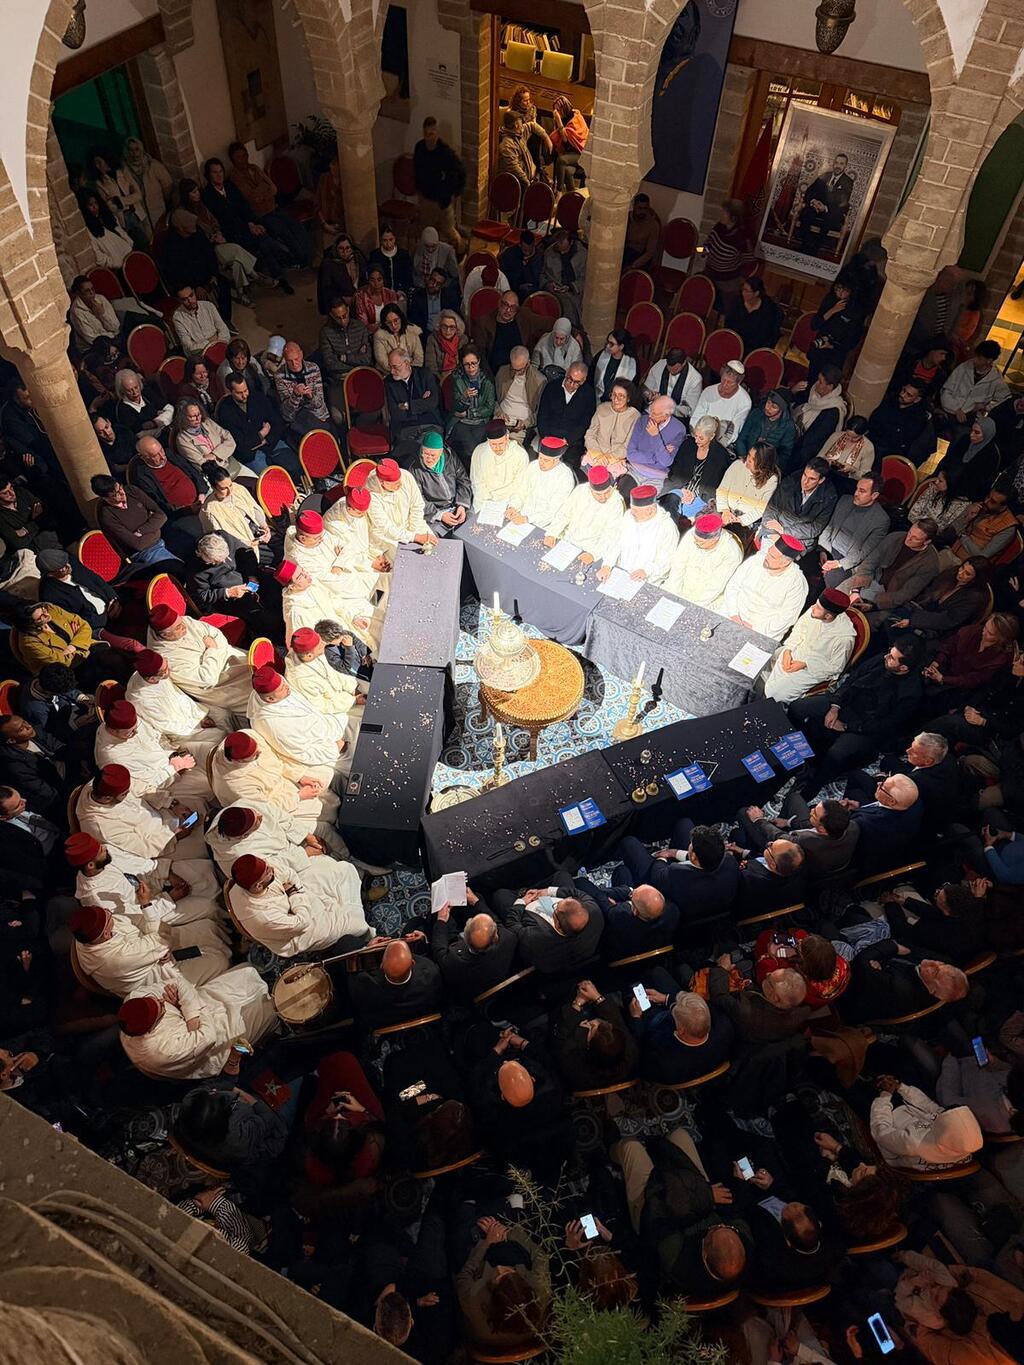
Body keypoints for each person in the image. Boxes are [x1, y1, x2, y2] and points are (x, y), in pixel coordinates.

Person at [789, 637, 926, 792]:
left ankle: (816, 781)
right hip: (847, 703)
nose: (886, 657)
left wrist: (847, 726)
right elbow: (851, 680)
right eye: (889, 652)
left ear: (903, 668)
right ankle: (798, 749)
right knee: (798, 708)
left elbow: (887, 725)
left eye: (892, 658)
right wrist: (835, 706)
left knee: (837, 753)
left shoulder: (912, 692)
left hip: (866, 726)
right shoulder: (881, 660)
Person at [118, 971, 277, 1082]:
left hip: (199, 1008)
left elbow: (179, 982)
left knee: (247, 975)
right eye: (160, 1008)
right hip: (215, 1047)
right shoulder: (161, 1050)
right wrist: (183, 1006)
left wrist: (189, 1015)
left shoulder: (134, 998)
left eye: (156, 1000)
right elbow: (208, 1037)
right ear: (151, 1028)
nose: (160, 1000)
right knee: (269, 1011)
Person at [229, 854, 369, 958]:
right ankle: (358, 900)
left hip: (296, 897)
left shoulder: (260, 870)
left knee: (342, 869)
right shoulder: (263, 916)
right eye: (268, 871)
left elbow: (289, 874)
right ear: (258, 886)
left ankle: (354, 898)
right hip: (296, 934)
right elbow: (302, 922)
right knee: (355, 924)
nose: (271, 868)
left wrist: (296, 893)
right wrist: (294, 894)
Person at [614, 820, 739, 920]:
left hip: (667, 890)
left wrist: (663, 857)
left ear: (694, 856)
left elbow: (657, 874)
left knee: (629, 843)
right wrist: (674, 853)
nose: (689, 844)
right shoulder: (729, 861)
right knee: (684, 824)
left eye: (691, 844)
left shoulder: (677, 874)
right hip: (707, 894)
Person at [201, 156, 293, 293]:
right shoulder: (207, 195)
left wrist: (251, 223)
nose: (219, 175)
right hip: (230, 233)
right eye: (214, 172)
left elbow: (244, 207)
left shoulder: (230, 186)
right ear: (208, 175)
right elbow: (216, 221)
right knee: (263, 242)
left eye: (220, 171)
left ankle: (279, 273)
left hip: (244, 226)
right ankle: (279, 252)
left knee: (262, 237)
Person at [487, 881, 603, 976]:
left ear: (557, 922)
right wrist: (546, 892)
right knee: (561, 875)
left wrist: (522, 902)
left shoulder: (536, 938)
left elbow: (512, 924)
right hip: (578, 955)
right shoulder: (593, 909)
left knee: (500, 895)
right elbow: (576, 892)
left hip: (546, 956)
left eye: (556, 906)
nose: (556, 902)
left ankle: (521, 894)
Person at [763, 586, 856, 703]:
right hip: (798, 651)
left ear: (828, 616)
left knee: (775, 694)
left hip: (815, 668)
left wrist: (804, 664)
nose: (812, 607)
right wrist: (788, 650)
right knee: (767, 659)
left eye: (817, 607)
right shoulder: (814, 612)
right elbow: (798, 632)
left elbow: (835, 667)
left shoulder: (844, 638)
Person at [227, 141, 310, 267]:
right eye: (238, 157)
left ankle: (307, 254)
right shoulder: (235, 176)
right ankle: (300, 259)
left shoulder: (254, 168)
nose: (243, 159)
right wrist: (263, 188)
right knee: (284, 232)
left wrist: (262, 192)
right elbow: (251, 197)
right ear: (233, 160)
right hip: (261, 214)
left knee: (296, 226)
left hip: (274, 207)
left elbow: (273, 188)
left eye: (244, 155)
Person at [430, 895, 524, 1003]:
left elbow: (438, 949)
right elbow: (498, 924)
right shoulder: (509, 940)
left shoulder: (452, 961)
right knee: (479, 897)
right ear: (496, 937)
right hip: (496, 977)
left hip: (470, 985)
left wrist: (441, 920)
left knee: (435, 917)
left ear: (464, 937)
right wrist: (476, 901)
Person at [870, 1080, 982, 1171]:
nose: (942, 1113)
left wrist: (885, 1095)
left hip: (888, 1118)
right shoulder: (964, 1139)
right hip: (907, 1108)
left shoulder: (913, 1143)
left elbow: (880, 1131)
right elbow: (933, 1108)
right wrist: (901, 1087)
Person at [628, 990, 733, 1086]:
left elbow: (639, 1054)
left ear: (681, 1029)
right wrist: (666, 999)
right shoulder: (724, 1027)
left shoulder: (661, 1056)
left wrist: (636, 1018)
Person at [715, 535, 809, 641]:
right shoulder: (755, 561)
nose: (766, 557)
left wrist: (755, 629)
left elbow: (786, 618)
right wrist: (734, 614)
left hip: (762, 632)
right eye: (769, 552)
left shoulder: (797, 583)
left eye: (772, 557)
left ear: (785, 562)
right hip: (731, 615)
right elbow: (733, 586)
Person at [553, 985, 639, 1092]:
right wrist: (597, 997)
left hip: (580, 1075)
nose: (596, 1021)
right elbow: (618, 1021)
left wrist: (577, 1003)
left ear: (588, 1045)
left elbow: (561, 1037)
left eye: (593, 1026)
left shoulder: (573, 1065)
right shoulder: (629, 1050)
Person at [845, 519, 941, 612]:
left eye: (915, 538)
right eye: (910, 532)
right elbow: (870, 562)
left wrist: (873, 605)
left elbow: (905, 594)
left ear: (927, 542)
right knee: (837, 597)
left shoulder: (930, 563)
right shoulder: (895, 537)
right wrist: (856, 590)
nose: (908, 538)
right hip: (870, 578)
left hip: (889, 596)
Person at [543, 466, 625, 569]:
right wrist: (552, 533)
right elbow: (564, 514)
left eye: (607, 492)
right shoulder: (580, 490)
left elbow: (610, 535)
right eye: (598, 494)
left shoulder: (616, 502)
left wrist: (593, 554)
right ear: (590, 488)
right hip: (568, 541)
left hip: (592, 549)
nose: (603, 498)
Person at [349, 939, 442, 1030]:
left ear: (381, 966)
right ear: (413, 963)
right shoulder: (430, 974)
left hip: (380, 1026)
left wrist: (366, 949)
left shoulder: (367, 986)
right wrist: (421, 940)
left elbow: (351, 967)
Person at [819, 472, 890, 589]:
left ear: (874, 495)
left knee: (831, 579)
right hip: (828, 548)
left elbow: (863, 553)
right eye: (857, 489)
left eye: (862, 491)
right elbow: (829, 527)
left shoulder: (881, 520)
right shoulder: (845, 500)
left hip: (847, 560)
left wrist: (838, 563)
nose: (856, 493)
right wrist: (823, 550)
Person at [597, 485, 678, 588]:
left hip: (646, 581)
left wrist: (646, 571)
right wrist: (607, 565)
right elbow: (616, 542)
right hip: (620, 574)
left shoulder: (667, 528)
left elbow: (666, 561)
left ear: (650, 510)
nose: (632, 513)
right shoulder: (628, 517)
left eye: (635, 510)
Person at [214, 373, 294, 477]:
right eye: (239, 393)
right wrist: (262, 434)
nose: (244, 395)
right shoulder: (225, 411)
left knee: (295, 466)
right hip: (251, 455)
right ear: (230, 391)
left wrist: (267, 439)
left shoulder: (257, 397)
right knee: (269, 480)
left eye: (245, 390)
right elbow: (240, 444)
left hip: (272, 442)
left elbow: (276, 422)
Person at [660, 415, 733, 525]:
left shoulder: (721, 456)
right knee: (669, 506)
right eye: (695, 435)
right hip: (680, 489)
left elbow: (713, 486)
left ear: (712, 436)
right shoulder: (688, 444)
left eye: (701, 438)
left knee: (691, 521)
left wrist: (694, 494)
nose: (696, 440)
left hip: (701, 496)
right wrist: (683, 490)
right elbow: (676, 472)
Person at [90, 473, 173, 568]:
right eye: (115, 494)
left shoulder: (131, 491)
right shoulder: (106, 515)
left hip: (160, 536)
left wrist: (141, 531)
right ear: (105, 498)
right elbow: (137, 544)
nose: (122, 493)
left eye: (120, 487)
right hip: (145, 551)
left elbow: (162, 515)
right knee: (178, 569)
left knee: (190, 546)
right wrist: (155, 526)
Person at [163, 212, 232, 324]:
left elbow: (209, 253)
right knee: (193, 297)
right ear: (180, 228)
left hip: (205, 274)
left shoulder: (197, 232)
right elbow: (178, 272)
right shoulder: (171, 245)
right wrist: (196, 286)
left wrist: (213, 274)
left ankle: (225, 320)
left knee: (224, 284)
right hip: (186, 282)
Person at [663, 511, 742, 606]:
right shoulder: (692, 535)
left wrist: (688, 603)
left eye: (701, 542)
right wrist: (673, 594)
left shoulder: (731, 552)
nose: (696, 543)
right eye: (695, 540)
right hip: (680, 586)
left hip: (707, 599)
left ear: (714, 539)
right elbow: (678, 565)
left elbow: (715, 586)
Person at [413, 117, 467, 254]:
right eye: (426, 134)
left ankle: (462, 251)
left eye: (431, 134)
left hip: (442, 201)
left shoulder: (444, 152)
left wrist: (451, 191)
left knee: (449, 231)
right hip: (426, 199)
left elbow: (459, 172)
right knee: (425, 231)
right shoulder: (420, 148)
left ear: (436, 133)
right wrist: (418, 190)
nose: (428, 138)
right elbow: (416, 170)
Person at [36, 546, 118, 631]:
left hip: (110, 602)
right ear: (50, 574)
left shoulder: (71, 561)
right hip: (98, 623)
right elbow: (76, 619)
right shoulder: (49, 593)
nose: (68, 566)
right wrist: (106, 616)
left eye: (66, 562)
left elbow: (95, 579)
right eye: (62, 568)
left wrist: (113, 598)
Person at [939, 339, 1009, 436]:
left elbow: (1005, 400)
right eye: (976, 356)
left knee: (964, 435)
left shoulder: (996, 379)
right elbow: (946, 390)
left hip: (971, 417)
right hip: (949, 410)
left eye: (979, 358)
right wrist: (956, 409)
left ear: (989, 361)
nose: (975, 360)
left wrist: (986, 407)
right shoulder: (964, 367)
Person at [505, 435, 575, 532]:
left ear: (556, 460)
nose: (541, 463)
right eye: (540, 458)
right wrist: (513, 506)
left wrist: (527, 519)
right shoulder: (533, 466)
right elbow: (521, 491)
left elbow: (553, 511)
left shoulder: (565, 477)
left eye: (546, 460)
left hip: (544, 525)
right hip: (521, 515)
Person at [384, 351, 443, 460]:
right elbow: (395, 413)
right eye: (390, 367)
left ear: (406, 363)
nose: (392, 371)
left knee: (422, 448)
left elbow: (433, 402)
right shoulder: (389, 382)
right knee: (413, 451)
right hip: (406, 428)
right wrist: (421, 404)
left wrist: (407, 406)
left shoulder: (425, 374)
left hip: (430, 424)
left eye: (395, 367)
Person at [535, 361, 596, 467]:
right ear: (567, 372)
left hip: (572, 440)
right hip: (549, 435)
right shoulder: (552, 387)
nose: (571, 384)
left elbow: (585, 423)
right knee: (544, 465)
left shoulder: (588, 394)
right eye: (569, 379)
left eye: (577, 382)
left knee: (567, 468)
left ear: (583, 380)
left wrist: (568, 440)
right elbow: (542, 415)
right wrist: (546, 437)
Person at [622, 394, 687, 493]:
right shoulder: (642, 420)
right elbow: (630, 454)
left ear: (666, 415)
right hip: (634, 470)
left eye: (654, 414)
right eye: (650, 411)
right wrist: (657, 456)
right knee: (622, 494)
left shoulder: (679, 429)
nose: (650, 416)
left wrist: (655, 436)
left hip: (657, 477)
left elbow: (666, 462)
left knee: (643, 503)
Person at [320, 297, 372, 419]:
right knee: (338, 417)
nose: (343, 321)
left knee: (372, 410)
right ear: (332, 316)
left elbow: (366, 359)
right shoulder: (326, 333)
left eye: (344, 316)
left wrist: (344, 358)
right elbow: (330, 363)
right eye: (338, 318)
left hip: (360, 377)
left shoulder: (360, 327)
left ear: (348, 310)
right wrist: (356, 360)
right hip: (339, 380)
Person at [807, 275, 865, 382]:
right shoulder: (830, 299)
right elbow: (814, 325)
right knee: (811, 379)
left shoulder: (856, 310)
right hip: (819, 350)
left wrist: (832, 346)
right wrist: (832, 310)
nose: (840, 293)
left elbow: (852, 340)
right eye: (838, 289)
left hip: (835, 355)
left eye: (844, 290)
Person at [411, 430, 472, 532]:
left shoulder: (450, 457)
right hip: (435, 513)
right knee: (433, 538)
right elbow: (417, 499)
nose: (429, 458)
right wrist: (440, 515)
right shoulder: (415, 469)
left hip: (456, 505)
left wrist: (462, 505)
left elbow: (463, 480)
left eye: (433, 455)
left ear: (441, 453)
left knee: (471, 528)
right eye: (426, 453)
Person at [582, 378, 641, 481]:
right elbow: (590, 434)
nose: (616, 399)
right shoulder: (602, 408)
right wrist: (598, 454)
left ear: (628, 398)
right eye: (614, 394)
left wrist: (610, 458)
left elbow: (629, 444)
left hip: (616, 460)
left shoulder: (635, 416)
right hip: (595, 455)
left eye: (621, 396)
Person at [797, 153, 853, 257]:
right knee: (806, 212)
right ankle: (806, 243)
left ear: (845, 166)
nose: (838, 166)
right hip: (817, 207)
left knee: (830, 217)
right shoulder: (825, 176)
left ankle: (815, 247)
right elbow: (810, 191)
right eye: (836, 162)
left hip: (832, 210)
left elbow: (842, 201)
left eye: (841, 164)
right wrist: (814, 201)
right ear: (833, 163)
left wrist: (825, 208)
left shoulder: (848, 182)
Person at [446, 346, 496, 463]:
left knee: (478, 449)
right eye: (467, 364)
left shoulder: (487, 380)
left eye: (473, 363)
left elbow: (489, 408)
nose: (471, 367)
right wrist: (464, 397)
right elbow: (456, 408)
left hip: (480, 421)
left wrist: (469, 413)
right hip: (460, 422)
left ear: (479, 361)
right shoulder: (457, 378)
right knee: (471, 450)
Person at [716, 439, 780, 529]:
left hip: (745, 521)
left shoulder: (771, 480)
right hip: (724, 510)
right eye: (749, 455)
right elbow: (722, 490)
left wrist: (739, 520)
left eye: (754, 459)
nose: (748, 460)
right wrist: (725, 510)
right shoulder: (737, 465)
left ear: (763, 463)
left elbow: (761, 509)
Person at [700, 198, 751, 311]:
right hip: (709, 274)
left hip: (728, 282)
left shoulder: (742, 238)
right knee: (693, 287)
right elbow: (707, 245)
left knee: (730, 307)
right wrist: (699, 250)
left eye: (724, 212)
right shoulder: (719, 227)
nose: (721, 214)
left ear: (733, 217)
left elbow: (748, 260)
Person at [790, 367, 848, 464]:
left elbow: (813, 440)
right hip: (794, 432)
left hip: (805, 449)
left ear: (829, 387)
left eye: (820, 382)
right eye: (818, 379)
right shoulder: (814, 391)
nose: (816, 383)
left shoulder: (832, 412)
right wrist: (793, 391)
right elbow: (795, 402)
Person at [469, 418, 529, 513]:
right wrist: (486, 506)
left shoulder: (520, 454)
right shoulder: (479, 451)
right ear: (488, 441)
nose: (497, 448)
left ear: (507, 437)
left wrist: (512, 506)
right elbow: (477, 482)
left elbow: (520, 486)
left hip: (509, 501)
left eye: (501, 443)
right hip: (484, 501)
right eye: (493, 444)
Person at [867, 379, 933, 463]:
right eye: (903, 390)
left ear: (917, 399)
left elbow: (901, 439)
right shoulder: (891, 400)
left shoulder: (918, 417)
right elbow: (874, 418)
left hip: (890, 451)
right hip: (873, 439)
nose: (902, 395)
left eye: (908, 395)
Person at [690, 361, 751, 449]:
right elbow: (695, 418)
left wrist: (713, 447)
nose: (724, 385)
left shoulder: (744, 401)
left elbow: (733, 432)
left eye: (730, 383)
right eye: (723, 380)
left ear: (739, 382)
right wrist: (698, 438)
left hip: (720, 445)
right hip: (699, 438)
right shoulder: (708, 391)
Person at [944, 415, 1001, 504]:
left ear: (987, 434)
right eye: (972, 430)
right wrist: (943, 476)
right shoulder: (965, 439)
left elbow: (978, 483)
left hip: (964, 497)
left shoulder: (991, 455)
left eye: (977, 432)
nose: (972, 434)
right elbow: (949, 460)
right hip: (946, 483)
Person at [171, 398, 237, 475]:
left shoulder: (207, 422)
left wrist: (215, 455)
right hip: (214, 475)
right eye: (192, 416)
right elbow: (202, 464)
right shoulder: (182, 440)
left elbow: (230, 440)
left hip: (231, 463)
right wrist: (224, 451)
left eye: (199, 414)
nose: (198, 419)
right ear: (183, 418)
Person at [494, 345, 545, 440]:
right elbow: (494, 399)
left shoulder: (539, 380)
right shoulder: (502, 372)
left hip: (521, 424)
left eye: (521, 369)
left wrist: (525, 423)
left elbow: (540, 412)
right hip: (501, 418)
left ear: (528, 363)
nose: (517, 372)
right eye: (514, 369)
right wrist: (499, 412)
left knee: (513, 449)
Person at [171, 283, 231, 360]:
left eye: (191, 295)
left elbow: (224, 330)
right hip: (199, 355)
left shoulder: (208, 306)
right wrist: (211, 341)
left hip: (220, 345)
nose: (190, 301)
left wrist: (219, 344)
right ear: (179, 300)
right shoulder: (177, 317)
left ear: (194, 292)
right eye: (185, 299)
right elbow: (190, 347)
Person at [643, 348, 703, 424]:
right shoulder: (659, 365)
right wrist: (649, 396)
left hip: (675, 418)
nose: (671, 371)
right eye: (669, 368)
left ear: (684, 363)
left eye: (675, 369)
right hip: (653, 411)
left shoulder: (695, 379)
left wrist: (666, 406)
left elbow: (688, 410)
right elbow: (645, 389)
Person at [724, 277, 783, 354]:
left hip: (755, 348)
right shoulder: (737, 302)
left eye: (747, 291)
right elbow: (729, 323)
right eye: (743, 290)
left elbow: (768, 335)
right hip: (735, 343)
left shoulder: (769, 310)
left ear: (756, 293)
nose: (743, 293)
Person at [76, 189, 132, 269]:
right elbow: (99, 257)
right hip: (119, 267)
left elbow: (122, 234)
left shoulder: (107, 218)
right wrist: (116, 263)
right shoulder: (89, 230)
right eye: (90, 205)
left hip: (130, 254)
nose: (95, 207)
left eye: (96, 203)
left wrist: (130, 245)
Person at [540, 231, 587, 327]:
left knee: (569, 309)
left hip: (574, 292)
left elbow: (586, 280)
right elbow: (543, 274)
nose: (562, 253)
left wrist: (571, 287)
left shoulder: (582, 255)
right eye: (560, 250)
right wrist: (548, 284)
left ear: (571, 243)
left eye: (565, 251)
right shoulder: (549, 253)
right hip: (554, 291)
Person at [316, 232, 367, 314]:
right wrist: (342, 298)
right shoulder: (329, 264)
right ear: (336, 249)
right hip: (341, 300)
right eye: (341, 248)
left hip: (359, 297)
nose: (345, 251)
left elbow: (364, 277)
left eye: (347, 248)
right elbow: (326, 289)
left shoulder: (358, 257)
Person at [68, 274, 121, 349]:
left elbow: (115, 327)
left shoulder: (101, 298)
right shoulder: (76, 312)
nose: (92, 293)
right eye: (87, 291)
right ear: (79, 294)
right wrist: (112, 336)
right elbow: (91, 339)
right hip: (96, 347)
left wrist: (102, 314)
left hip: (114, 337)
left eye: (92, 289)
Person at [819, 416, 875, 485]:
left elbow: (865, 476)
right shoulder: (836, 436)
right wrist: (826, 461)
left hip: (847, 482)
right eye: (847, 435)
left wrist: (853, 470)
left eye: (855, 438)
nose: (850, 439)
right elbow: (819, 457)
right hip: (825, 474)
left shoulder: (868, 447)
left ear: (864, 433)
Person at [550, 94, 588, 190]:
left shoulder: (575, 118)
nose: (556, 113)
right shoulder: (562, 119)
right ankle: (572, 197)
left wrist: (558, 121)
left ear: (564, 108)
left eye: (558, 110)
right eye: (555, 110)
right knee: (567, 170)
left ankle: (558, 190)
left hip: (581, 153)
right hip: (570, 154)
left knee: (561, 160)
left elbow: (566, 139)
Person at [371, 303, 421, 375]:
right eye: (389, 322)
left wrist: (408, 372)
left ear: (401, 317)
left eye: (396, 320)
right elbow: (383, 361)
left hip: (411, 373)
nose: (393, 326)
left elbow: (419, 358)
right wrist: (399, 371)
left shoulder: (412, 331)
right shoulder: (379, 335)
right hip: (388, 373)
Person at [591, 331, 638, 405]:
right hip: (596, 399)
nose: (607, 346)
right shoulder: (600, 355)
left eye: (611, 344)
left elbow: (632, 389)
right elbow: (590, 377)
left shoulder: (631, 363)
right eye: (607, 342)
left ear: (621, 346)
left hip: (618, 403)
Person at [368, 223, 414, 298]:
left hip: (400, 295)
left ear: (394, 239)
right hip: (381, 295)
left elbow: (408, 277)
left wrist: (402, 291)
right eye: (385, 240)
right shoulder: (375, 255)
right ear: (381, 240)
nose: (388, 244)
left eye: (390, 240)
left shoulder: (403, 255)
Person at [499, 229, 544, 301]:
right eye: (525, 250)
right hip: (513, 290)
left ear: (534, 244)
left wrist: (527, 265)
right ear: (520, 245)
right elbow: (504, 275)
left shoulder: (539, 256)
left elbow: (538, 277)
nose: (528, 253)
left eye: (531, 249)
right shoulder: (510, 254)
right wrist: (519, 286)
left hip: (533, 292)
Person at [496, 109, 535, 193]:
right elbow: (514, 167)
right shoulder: (507, 144)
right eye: (521, 122)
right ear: (516, 125)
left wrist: (546, 137)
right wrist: (527, 181)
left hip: (527, 179)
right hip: (519, 184)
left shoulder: (517, 134)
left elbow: (531, 126)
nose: (522, 124)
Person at [423, 309, 465, 383]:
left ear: (457, 328)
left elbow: (465, 363)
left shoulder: (463, 340)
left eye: (452, 327)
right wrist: (442, 380)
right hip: (439, 378)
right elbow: (430, 366)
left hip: (460, 377)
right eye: (444, 326)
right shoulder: (432, 339)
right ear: (439, 326)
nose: (448, 331)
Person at [355, 267, 400, 334]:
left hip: (392, 331)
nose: (376, 284)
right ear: (368, 281)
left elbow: (397, 318)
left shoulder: (391, 294)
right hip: (371, 334)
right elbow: (364, 325)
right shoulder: (361, 297)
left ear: (383, 280)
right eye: (372, 280)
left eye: (379, 279)